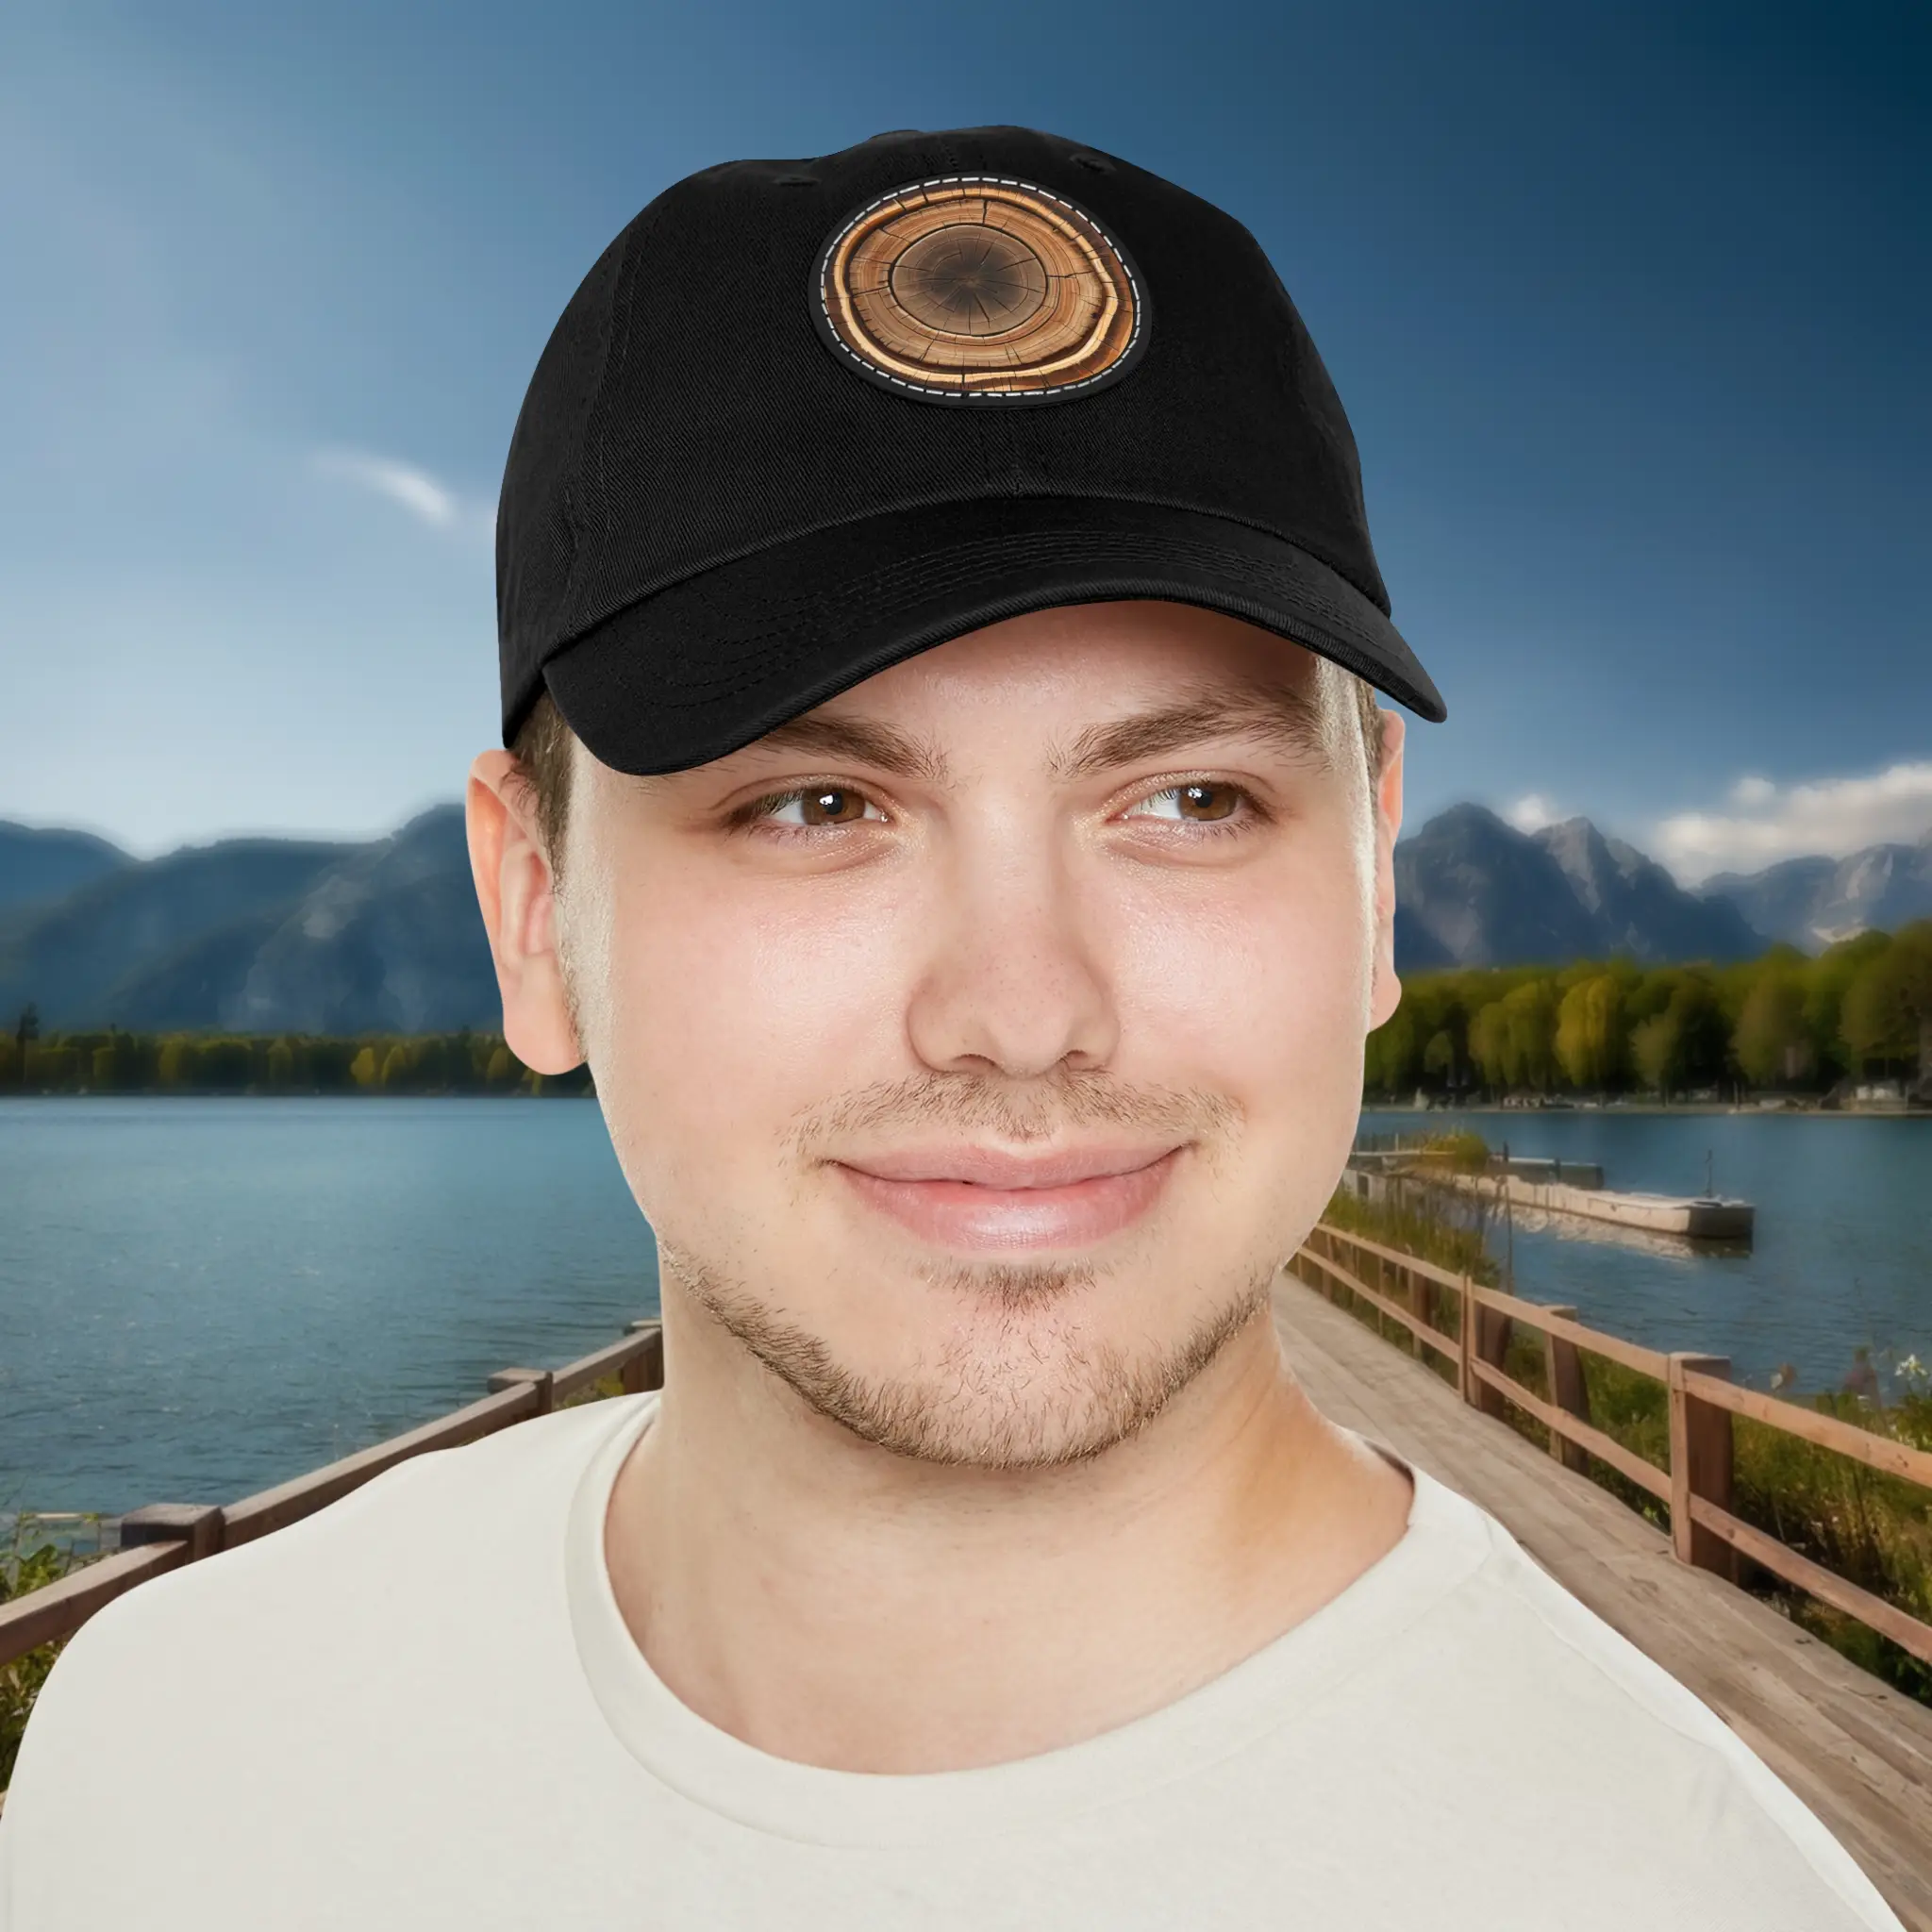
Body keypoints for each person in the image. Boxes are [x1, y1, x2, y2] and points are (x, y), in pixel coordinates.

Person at [0, 125, 1904, 1931]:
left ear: (1375, 876)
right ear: (532, 915)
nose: (1022, 1009)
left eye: (1192, 802)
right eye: (815, 805)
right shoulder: (158, 1762)